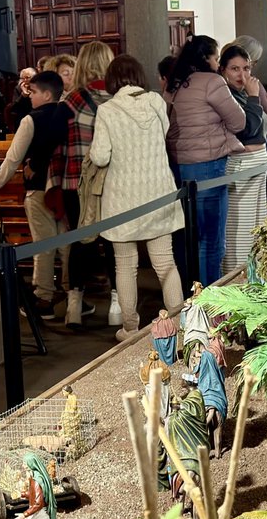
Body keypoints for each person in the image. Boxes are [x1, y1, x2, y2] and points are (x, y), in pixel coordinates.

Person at [91, 54, 184, 340]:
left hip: (122, 198)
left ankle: (130, 327)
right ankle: (179, 323)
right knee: (165, 261)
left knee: (126, 265)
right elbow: (167, 134)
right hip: (158, 193)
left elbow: (100, 155)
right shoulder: (157, 102)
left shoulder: (107, 110)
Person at [165, 35, 245, 287]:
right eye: (216, 56)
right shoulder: (212, 81)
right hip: (209, 167)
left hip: (179, 167)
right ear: (207, 57)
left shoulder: (174, 84)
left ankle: (188, 295)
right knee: (210, 240)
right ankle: (209, 299)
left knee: (187, 237)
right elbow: (238, 121)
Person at [0, 71, 71, 317]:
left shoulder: (31, 120)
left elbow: (12, 158)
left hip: (39, 189)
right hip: (67, 187)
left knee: (43, 245)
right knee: (67, 243)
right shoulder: (69, 114)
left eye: (34, 92)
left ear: (47, 93)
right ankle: (74, 298)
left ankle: (43, 298)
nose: (30, 96)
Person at [50, 41, 114, 326]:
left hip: (74, 181)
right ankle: (117, 306)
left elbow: (57, 147)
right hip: (110, 182)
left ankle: (74, 306)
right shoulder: (117, 98)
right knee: (114, 242)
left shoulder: (70, 100)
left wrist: (54, 184)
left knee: (79, 242)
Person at [219, 46, 267, 273]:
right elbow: (249, 129)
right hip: (240, 165)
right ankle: (237, 279)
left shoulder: (243, 93)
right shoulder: (225, 95)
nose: (242, 75)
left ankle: (254, 278)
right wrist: (255, 97)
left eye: (246, 68)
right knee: (240, 228)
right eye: (235, 69)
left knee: (257, 226)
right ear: (223, 70)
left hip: (258, 162)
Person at [6, 66, 36, 134]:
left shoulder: (39, 87)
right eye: (23, 78)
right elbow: (14, 108)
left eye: (28, 77)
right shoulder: (18, 88)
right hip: (23, 118)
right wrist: (23, 96)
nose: (25, 80)